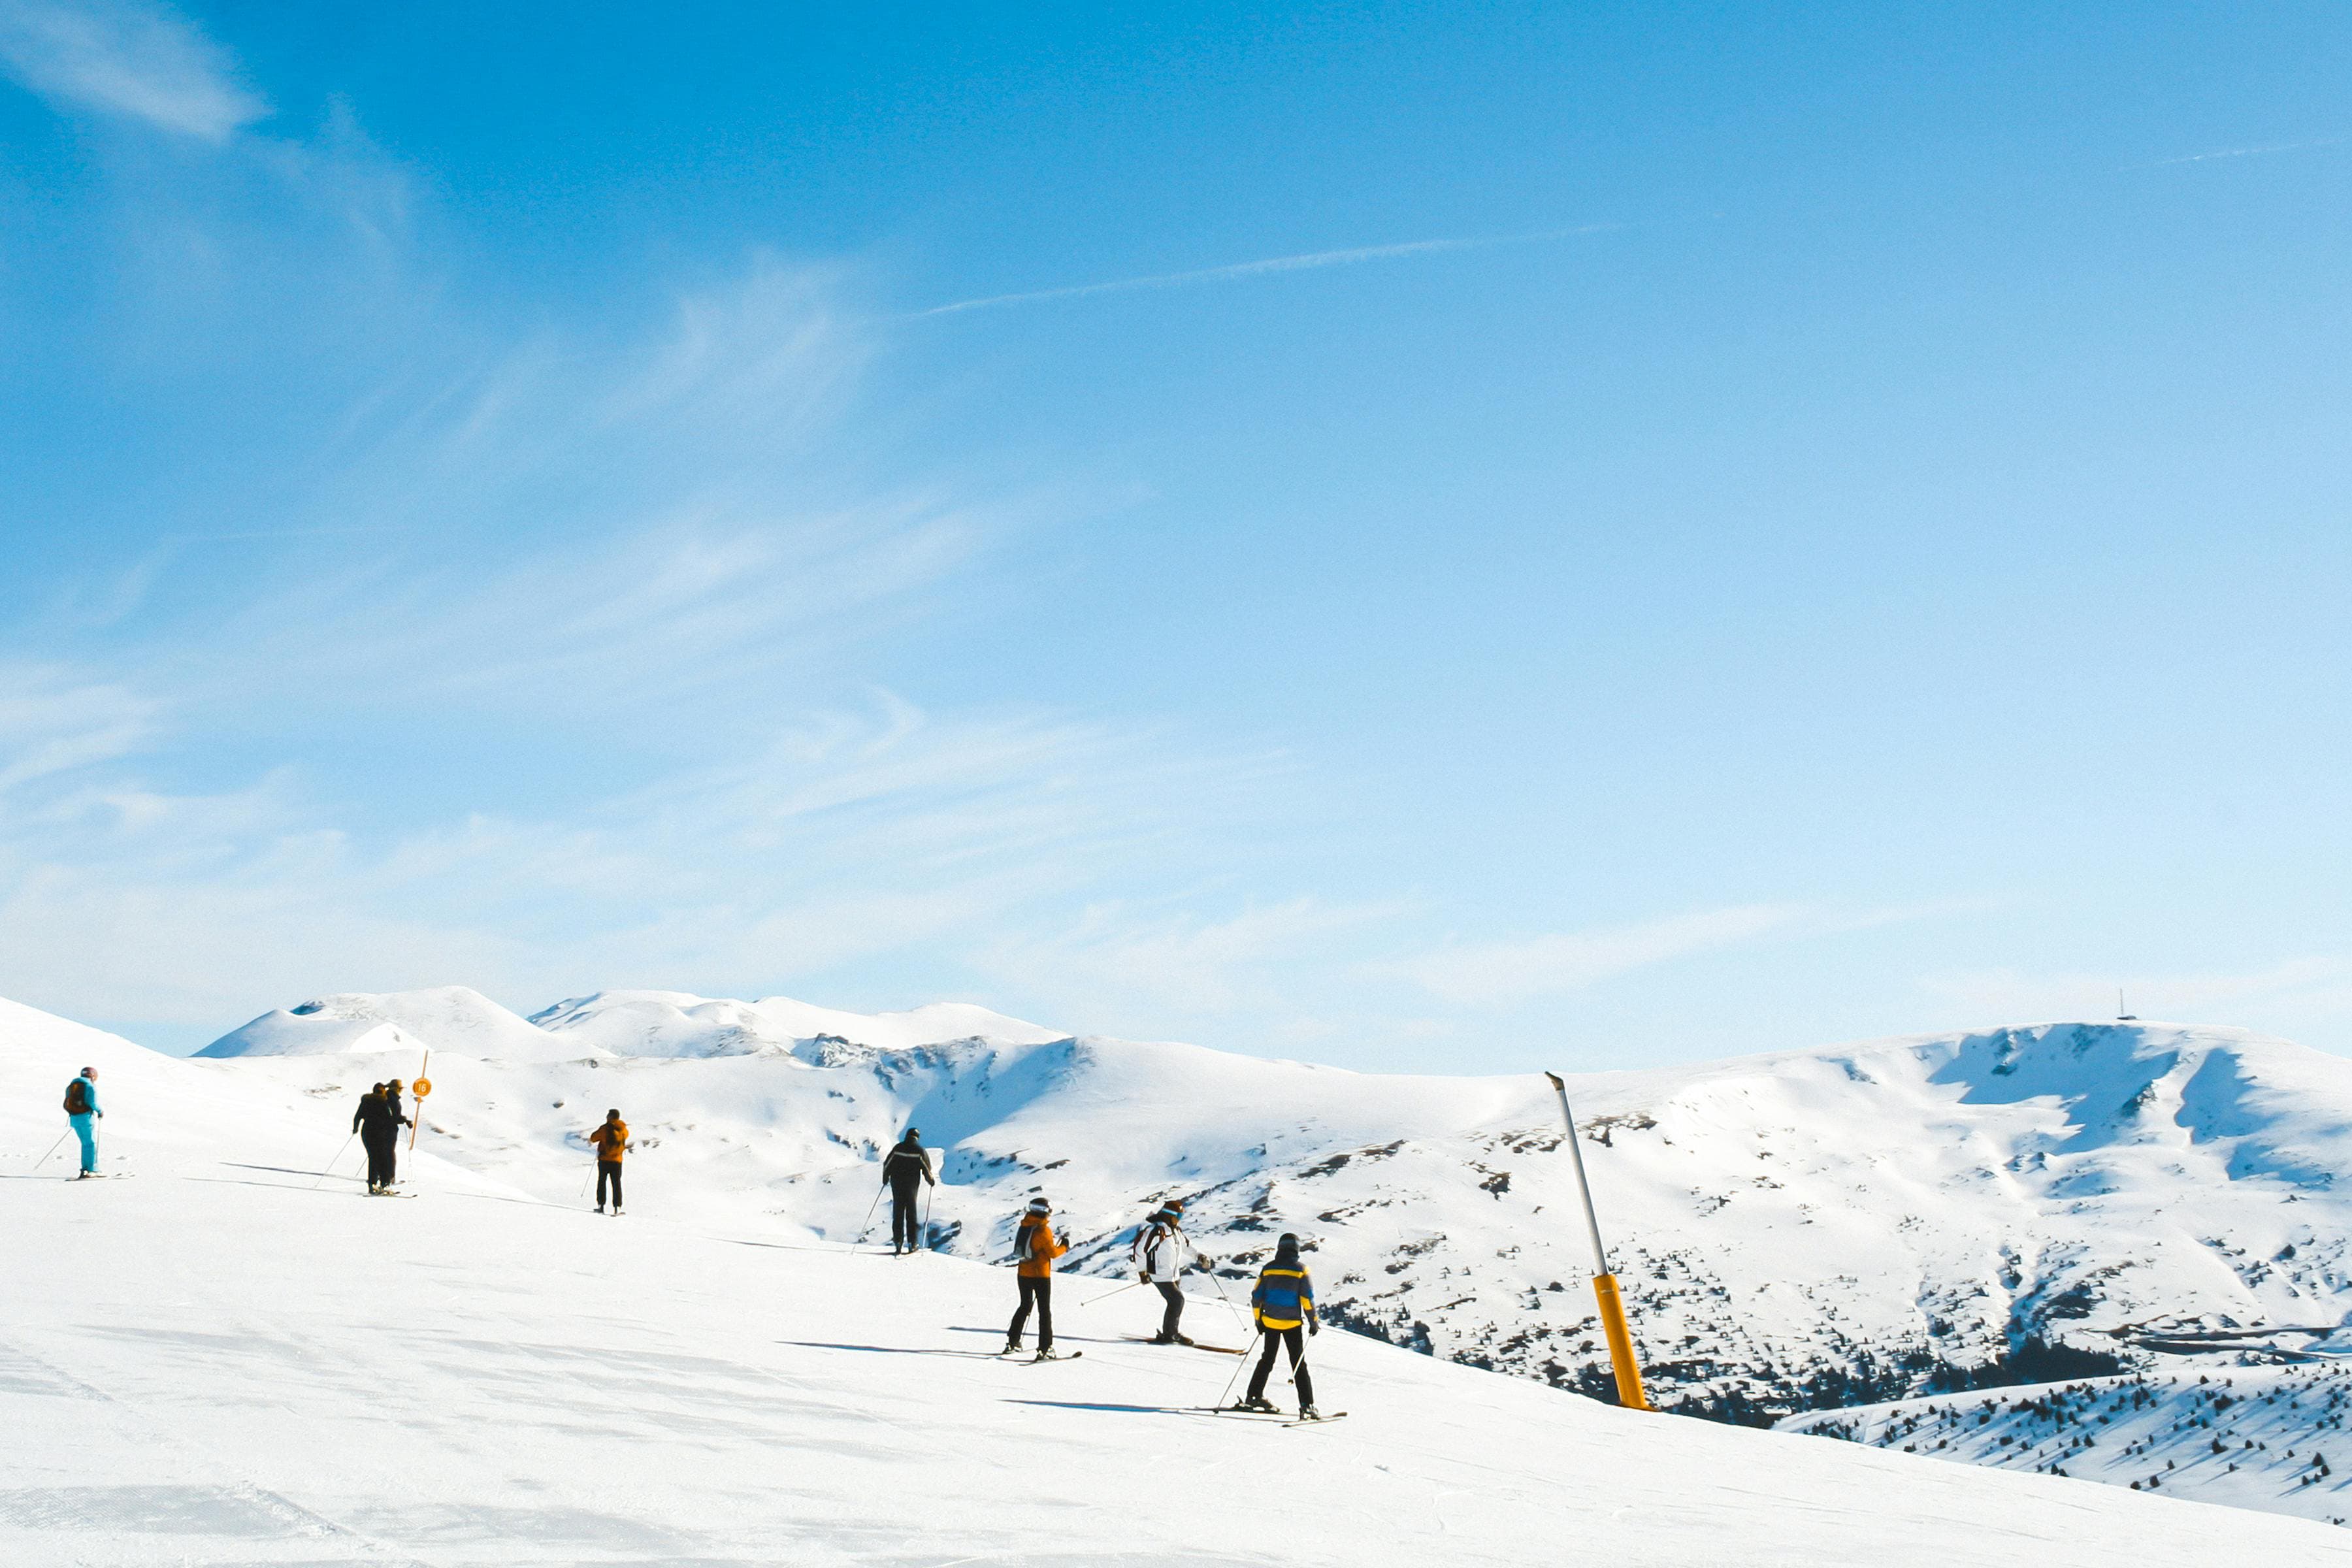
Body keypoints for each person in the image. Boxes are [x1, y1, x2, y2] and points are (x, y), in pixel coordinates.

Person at [1238, 1232, 1320, 1418]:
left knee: (1267, 1359)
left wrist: (1258, 1320)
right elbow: (1307, 1299)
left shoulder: (1268, 1269)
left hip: (1270, 1322)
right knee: (1298, 1363)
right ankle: (1307, 1405)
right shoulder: (1301, 1270)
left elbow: (1256, 1297)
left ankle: (1253, 1396)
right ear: (1296, 1249)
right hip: (1292, 1324)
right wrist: (1313, 1322)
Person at [1130, 1198, 1214, 1345]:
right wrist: (1143, 1272)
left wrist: (1199, 1256)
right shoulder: (1156, 1231)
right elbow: (1140, 1251)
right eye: (1179, 1216)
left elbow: (1187, 1246)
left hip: (1173, 1274)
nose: (1180, 1219)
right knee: (1177, 1301)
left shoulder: (1174, 1231)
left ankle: (1170, 1332)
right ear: (1169, 1216)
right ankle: (1171, 1334)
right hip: (1159, 1274)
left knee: (1174, 1302)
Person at [1005, 1196, 1068, 1360]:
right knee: (1044, 1311)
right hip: (1041, 1275)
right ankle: (1045, 1348)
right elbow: (1052, 1253)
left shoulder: (1025, 1226)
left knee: (1024, 1306)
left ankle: (1013, 1342)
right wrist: (1064, 1246)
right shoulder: (1043, 1230)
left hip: (1023, 1273)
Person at [882, 1128, 936, 1254]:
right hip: (911, 1186)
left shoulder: (898, 1148)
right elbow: (927, 1169)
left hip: (897, 1185)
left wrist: (885, 1178)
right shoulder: (920, 1151)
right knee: (911, 1214)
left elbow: (887, 1164)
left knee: (898, 1213)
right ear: (917, 1137)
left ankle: (898, 1243)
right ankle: (912, 1244)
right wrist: (931, 1181)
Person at [353, 1083, 409, 1194]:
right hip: (380, 1133)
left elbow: (358, 1116)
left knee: (373, 1158)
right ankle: (385, 1185)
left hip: (367, 1132)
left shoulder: (366, 1101)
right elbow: (390, 1119)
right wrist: (403, 1120)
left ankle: (372, 1185)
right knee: (383, 1159)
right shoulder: (383, 1102)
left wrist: (355, 1129)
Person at [62, 1066, 102, 1179]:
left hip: (74, 1119)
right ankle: (92, 1170)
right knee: (91, 1144)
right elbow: (93, 1103)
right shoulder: (90, 1087)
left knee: (85, 1144)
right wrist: (100, 1111)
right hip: (86, 1119)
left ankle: (86, 1169)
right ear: (93, 1076)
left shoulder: (72, 1086)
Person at [590, 1109, 629, 1214]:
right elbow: (626, 1136)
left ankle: (601, 1206)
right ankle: (617, 1208)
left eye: (608, 1115)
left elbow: (593, 1138)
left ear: (611, 1117)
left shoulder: (605, 1129)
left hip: (604, 1160)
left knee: (602, 1182)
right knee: (616, 1184)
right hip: (617, 1161)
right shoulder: (624, 1129)